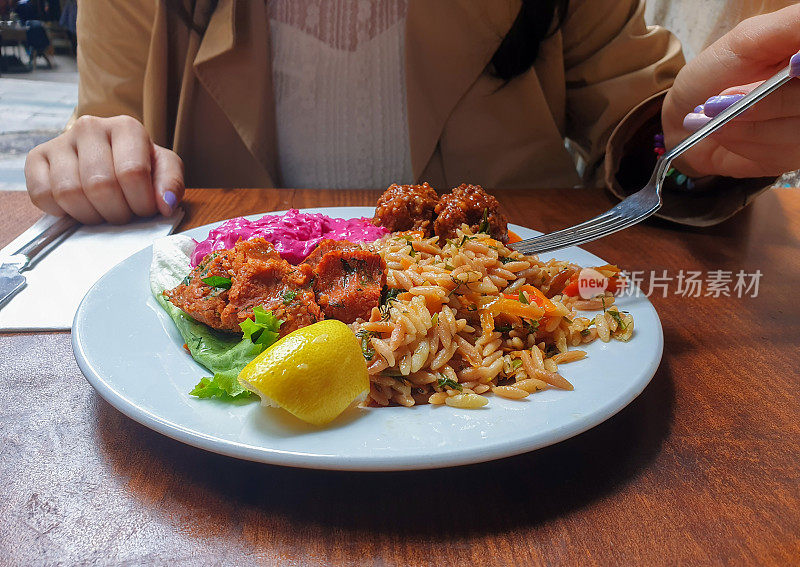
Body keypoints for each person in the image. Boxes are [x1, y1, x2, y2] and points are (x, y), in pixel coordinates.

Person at [23, 0, 800, 227]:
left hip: (510, 356)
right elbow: (115, 140)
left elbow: (643, 123)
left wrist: (687, 143)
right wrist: (93, 162)